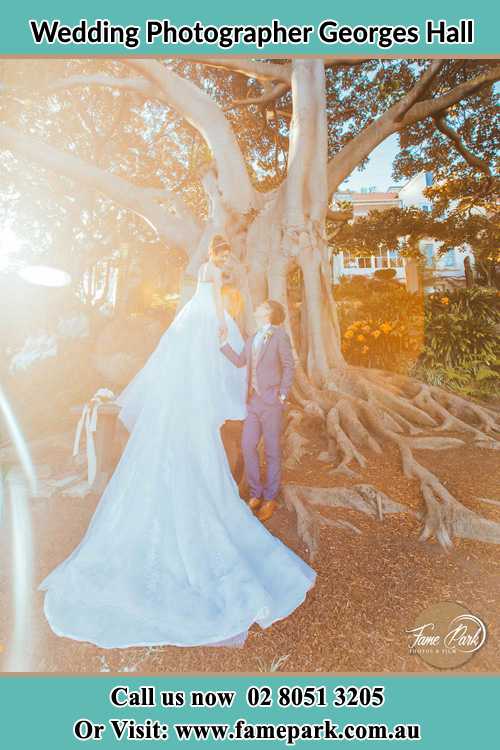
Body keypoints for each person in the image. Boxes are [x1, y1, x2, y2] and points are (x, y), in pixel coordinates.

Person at [37, 235, 316, 649]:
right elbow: (219, 326)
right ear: (215, 258)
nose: (224, 262)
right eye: (222, 257)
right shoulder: (211, 296)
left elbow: (204, 339)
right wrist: (225, 329)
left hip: (183, 406)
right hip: (196, 397)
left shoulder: (189, 313)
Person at [220, 300, 292, 523]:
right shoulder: (252, 338)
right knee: (247, 445)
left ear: (269, 313)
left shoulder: (280, 336)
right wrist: (223, 344)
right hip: (252, 403)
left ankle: (270, 498)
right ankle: (255, 493)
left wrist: (282, 394)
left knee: (271, 451)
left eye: (261, 306)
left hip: (271, 402)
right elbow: (240, 362)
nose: (257, 308)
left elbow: (289, 365)